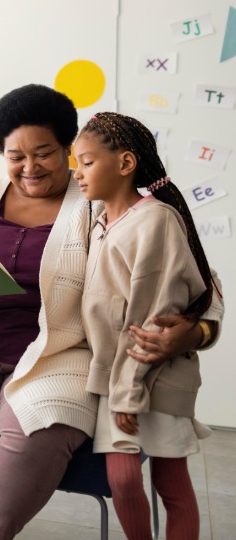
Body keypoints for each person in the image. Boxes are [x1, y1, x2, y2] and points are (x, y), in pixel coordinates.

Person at [0, 84, 223, 540]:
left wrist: (196, 331)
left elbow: (201, 281)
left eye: (43, 153)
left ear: (68, 148)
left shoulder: (105, 200)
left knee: (39, 422)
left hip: (61, 354)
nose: (29, 168)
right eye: (15, 156)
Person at [75, 112, 219, 539]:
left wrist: (127, 394)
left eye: (86, 162)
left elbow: (148, 321)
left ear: (125, 164)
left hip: (152, 379)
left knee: (171, 485)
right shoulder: (98, 221)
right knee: (122, 480)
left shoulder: (154, 220)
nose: (77, 173)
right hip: (116, 378)